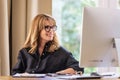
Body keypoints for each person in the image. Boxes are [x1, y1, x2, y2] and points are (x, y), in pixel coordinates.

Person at [12, 14, 84, 75]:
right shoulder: (24, 52)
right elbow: (15, 74)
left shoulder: (60, 51)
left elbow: (78, 67)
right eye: (47, 27)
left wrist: (57, 74)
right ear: (37, 29)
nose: (51, 31)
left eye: (53, 27)